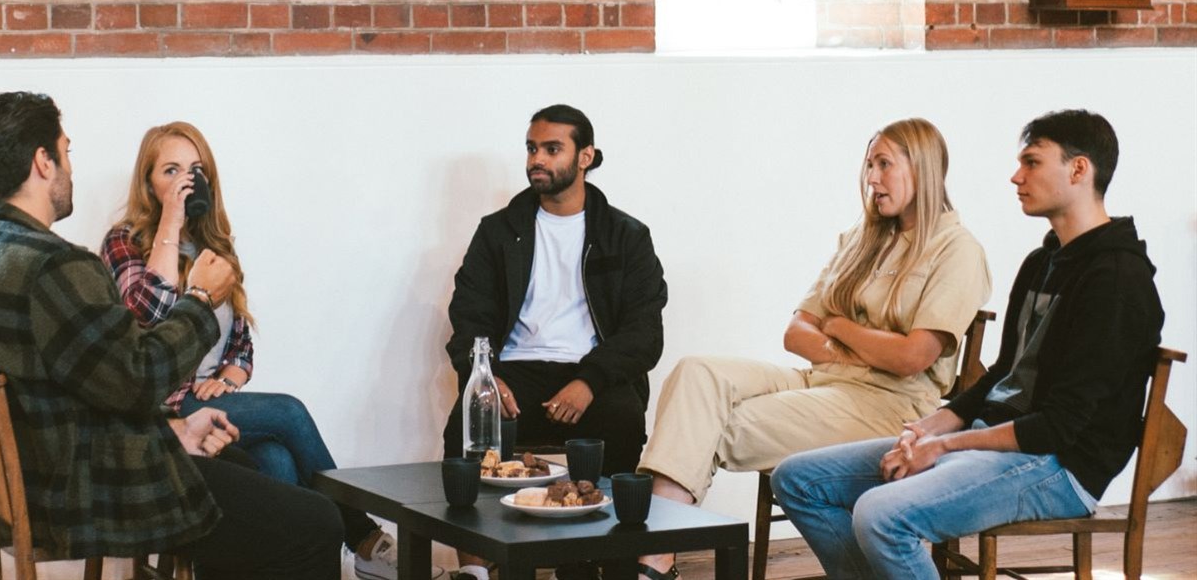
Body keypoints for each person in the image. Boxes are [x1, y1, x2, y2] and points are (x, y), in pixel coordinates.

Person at [0, 91, 343, 579]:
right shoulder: (54, 265)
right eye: (66, 151)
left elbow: (89, 384)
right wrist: (200, 302)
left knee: (254, 463)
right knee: (318, 520)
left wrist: (174, 429)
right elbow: (141, 376)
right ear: (43, 161)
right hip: (87, 492)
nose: (69, 168)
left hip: (53, 477)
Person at [771, 109, 1165, 580]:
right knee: (798, 480)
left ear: (1079, 170)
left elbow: (1059, 427)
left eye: (1033, 163)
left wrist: (944, 445)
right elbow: (1002, 374)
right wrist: (928, 428)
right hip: (999, 443)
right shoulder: (1043, 261)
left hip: (1060, 466)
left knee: (881, 516)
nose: (1016, 176)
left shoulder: (1118, 279)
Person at [635, 118, 991, 580]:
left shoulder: (956, 249)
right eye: (868, 165)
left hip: (887, 405)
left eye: (884, 165)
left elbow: (912, 359)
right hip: (821, 378)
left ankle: (653, 558)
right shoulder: (862, 237)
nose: (871, 179)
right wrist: (863, 348)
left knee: (709, 426)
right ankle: (657, 557)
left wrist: (839, 325)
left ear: (922, 169)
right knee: (695, 373)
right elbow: (796, 332)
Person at [99, 121, 429, 580]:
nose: (185, 182)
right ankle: (366, 540)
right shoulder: (125, 243)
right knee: (290, 413)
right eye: (171, 171)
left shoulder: (215, 244)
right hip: (168, 402)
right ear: (149, 183)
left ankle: (302, 559)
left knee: (276, 459)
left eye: (195, 170)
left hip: (212, 399)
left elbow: (240, 338)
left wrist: (232, 376)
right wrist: (171, 224)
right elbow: (147, 316)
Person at [443, 104, 668, 580]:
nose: (536, 160)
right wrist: (486, 378)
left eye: (551, 149)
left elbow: (643, 332)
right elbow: (469, 315)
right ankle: (476, 570)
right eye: (531, 148)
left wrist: (588, 380)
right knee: (463, 427)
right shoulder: (498, 231)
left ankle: (601, 564)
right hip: (516, 369)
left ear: (585, 156)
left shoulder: (625, 235)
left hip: (594, 369)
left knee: (623, 418)